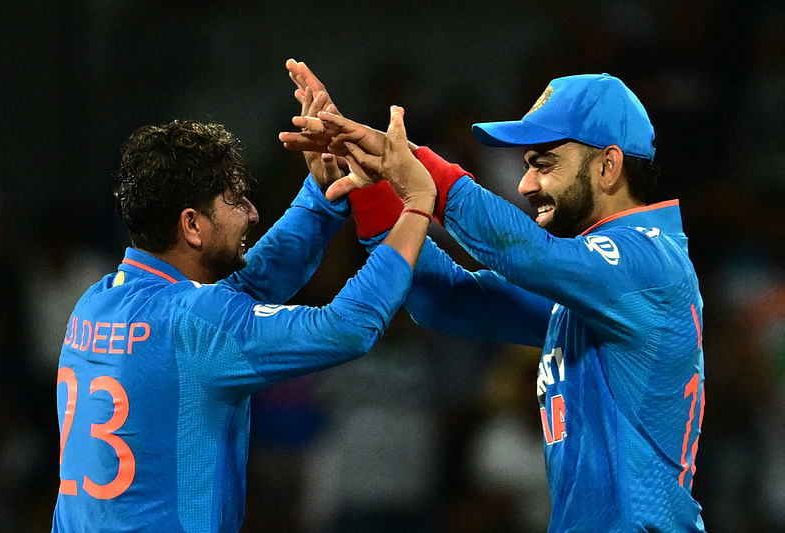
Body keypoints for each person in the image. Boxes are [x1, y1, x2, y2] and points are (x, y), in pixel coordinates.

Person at [280, 61, 706, 532]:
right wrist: (374, 185)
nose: (525, 185)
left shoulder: (650, 262)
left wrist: (419, 170)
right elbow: (444, 299)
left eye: (544, 163)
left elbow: (529, 257)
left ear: (608, 166)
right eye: (526, 166)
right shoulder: (590, 291)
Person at [51, 101, 436, 532]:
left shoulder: (94, 302)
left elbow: (243, 290)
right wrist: (417, 204)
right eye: (234, 198)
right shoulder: (195, 323)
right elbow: (346, 328)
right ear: (192, 225)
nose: (252, 212)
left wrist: (321, 194)